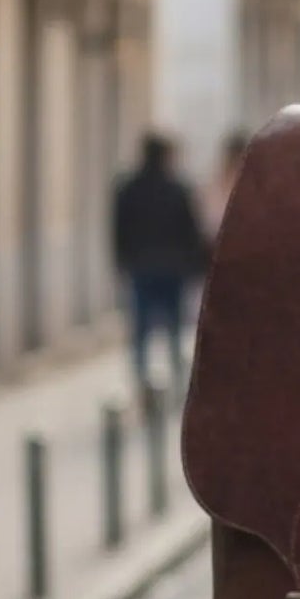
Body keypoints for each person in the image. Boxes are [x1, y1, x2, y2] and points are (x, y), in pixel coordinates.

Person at [111, 132, 205, 402]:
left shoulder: (128, 188)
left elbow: (118, 230)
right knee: (175, 330)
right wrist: (194, 267)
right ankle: (177, 386)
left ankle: (143, 384)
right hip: (173, 269)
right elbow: (192, 231)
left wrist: (121, 262)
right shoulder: (179, 188)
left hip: (141, 267)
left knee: (141, 330)